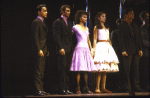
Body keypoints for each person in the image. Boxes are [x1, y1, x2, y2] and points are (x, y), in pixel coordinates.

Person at [70, 10, 96, 94]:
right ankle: (78, 88)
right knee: (78, 69)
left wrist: (91, 49)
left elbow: (88, 40)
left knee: (85, 69)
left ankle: (86, 88)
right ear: (79, 18)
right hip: (79, 48)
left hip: (86, 49)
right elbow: (70, 38)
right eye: (84, 17)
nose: (85, 18)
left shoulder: (86, 28)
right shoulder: (75, 27)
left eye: (86, 17)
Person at [118, 8, 143, 93]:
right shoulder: (122, 25)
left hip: (135, 50)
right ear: (126, 15)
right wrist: (123, 50)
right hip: (127, 50)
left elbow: (138, 38)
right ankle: (126, 86)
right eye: (130, 13)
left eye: (133, 13)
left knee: (136, 69)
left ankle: (136, 86)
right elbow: (121, 39)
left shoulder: (134, 25)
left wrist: (140, 49)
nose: (132, 15)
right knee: (126, 69)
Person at [93, 12, 119, 94]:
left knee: (105, 69)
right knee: (100, 68)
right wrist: (94, 49)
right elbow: (94, 39)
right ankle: (97, 87)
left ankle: (103, 87)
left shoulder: (107, 27)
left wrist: (111, 48)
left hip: (107, 46)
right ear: (99, 18)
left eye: (105, 16)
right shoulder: (96, 27)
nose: (104, 18)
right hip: (100, 46)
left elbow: (109, 39)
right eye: (102, 16)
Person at [52, 5, 73, 95]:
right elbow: (56, 36)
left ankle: (67, 88)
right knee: (62, 69)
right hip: (62, 48)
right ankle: (61, 88)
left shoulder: (69, 22)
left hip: (69, 49)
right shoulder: (58, 21)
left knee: (67, 69)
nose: (69, 12)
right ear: (62, 11)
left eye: (69, 11)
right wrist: (60, 47)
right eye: (67, 11)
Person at [31, 4, 50, 96]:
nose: (46, 12)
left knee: (41, 70)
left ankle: (41, 89)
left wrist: (46, 49)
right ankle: (37, 89)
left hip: (44, 49)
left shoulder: (43, 22)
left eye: (46, 11)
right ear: (39, 12)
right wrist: (39, 49)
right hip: (39, 50)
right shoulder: (36, 22)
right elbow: (35, 37)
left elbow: (44, 38)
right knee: (38, 70)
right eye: (44, 11)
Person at [110, 18, 124, 91]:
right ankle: (117, 86)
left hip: (124, 54)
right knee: (117, 70)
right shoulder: (114, 32)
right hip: (117, 53)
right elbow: (113, 43)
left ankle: (123, 86)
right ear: (118, 24)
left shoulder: (125, 32)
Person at [139, 11, 149, 92]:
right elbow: (142, 40)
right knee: (146, 69)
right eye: (146, 16)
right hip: (146, 52)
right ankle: (146, 86)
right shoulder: (142, 28)